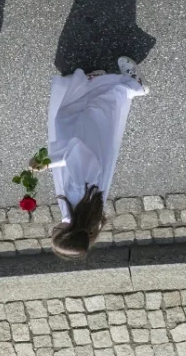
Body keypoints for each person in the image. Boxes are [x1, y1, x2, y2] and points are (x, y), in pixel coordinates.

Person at [33, 57, 147, 259]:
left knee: (91, 112)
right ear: (65, 232)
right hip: (84, 143)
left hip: (94, 148)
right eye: (55, 232)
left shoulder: (88, 216)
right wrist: (46, 162)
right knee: (81, 112)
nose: (53, 229)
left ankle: (96, 82)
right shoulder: (76, 198)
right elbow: (76, 155)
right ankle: (131, 86)